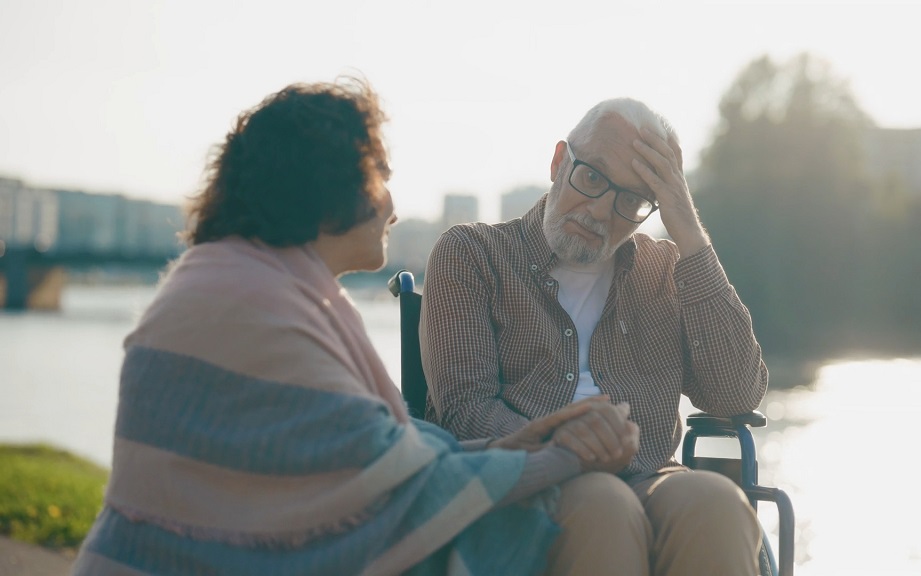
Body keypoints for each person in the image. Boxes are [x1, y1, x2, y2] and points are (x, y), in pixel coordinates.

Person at [71, 78, 643, 576]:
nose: (393, 206)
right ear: (326, 188)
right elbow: (390, 484)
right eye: (379, 176)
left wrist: (516, 443)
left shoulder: (250, 286)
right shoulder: (253, 311)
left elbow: (374, 451)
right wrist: (567, 458)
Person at [420, 97, 770, 575]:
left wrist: (688, 231)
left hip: (650, 477)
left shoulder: (666, 270)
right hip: (525, 482)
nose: (601, 212)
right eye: (591, 178)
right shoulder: (474, 254)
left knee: (717, 501)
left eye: (631, 200)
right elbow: (465, 412)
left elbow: (735, 394)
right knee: (603, 503)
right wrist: (563, 445)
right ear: (559, 161)